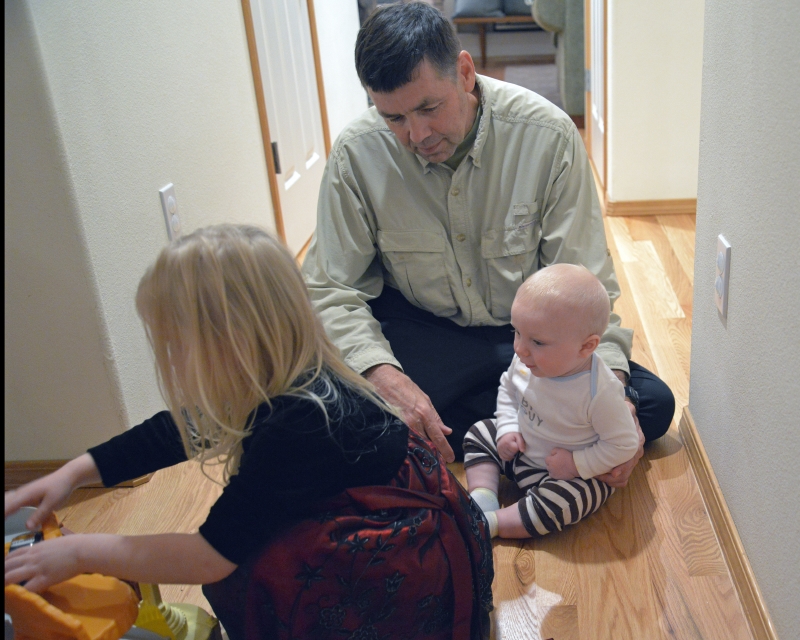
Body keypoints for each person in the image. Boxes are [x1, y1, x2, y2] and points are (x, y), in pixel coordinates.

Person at [4, 224, 493, 640]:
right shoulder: (281, 375)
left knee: (250, 562)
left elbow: (208, 558)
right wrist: (74, 473)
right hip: (381, 529)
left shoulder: (303, 421)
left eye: (173, 341)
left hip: (400, 579)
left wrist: (81, 552)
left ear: (226, 342)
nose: (168, 355)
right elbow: (175, 430)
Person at [301, 1, 674, 473]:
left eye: (428, 108)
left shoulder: (548, 135)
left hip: (527, 335)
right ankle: (529, 431)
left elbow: (586, 280)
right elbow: (332, 289)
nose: (417, 134)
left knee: (652, 404)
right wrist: (385, 377)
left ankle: (458, 430)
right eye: (394, 118)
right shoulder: (356, 154)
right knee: (316, 412)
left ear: (464, 72)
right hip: (423, 331)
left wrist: (615, 393)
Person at [463, 264, 640, 538]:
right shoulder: (526, 360)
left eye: (537, 342)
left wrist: (577, 464)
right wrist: (508, 428)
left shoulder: (600, 392)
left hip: (562, 475)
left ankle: (493, 523)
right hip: (520, 450)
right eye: (516, 332)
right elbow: (508, 389)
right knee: (479, 432)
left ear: (587, 346)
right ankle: (481, 498)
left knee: (573, 498)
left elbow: (623, 444)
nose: (519, 348)